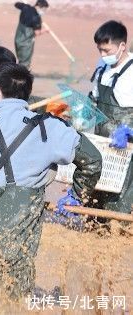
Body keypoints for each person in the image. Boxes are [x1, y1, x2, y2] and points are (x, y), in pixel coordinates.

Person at [0, 63, 101, 298]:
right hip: (18, 241)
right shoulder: (50, 127)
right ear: (26, 94)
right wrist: (77, 196)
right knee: (11, 301)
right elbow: (93, 161)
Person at [88, 20, 133, 215]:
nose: (102, 55)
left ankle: (120, 225)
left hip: (125, 145)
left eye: (106, 50)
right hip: (102, 139)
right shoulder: (102, 68)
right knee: (98, 184)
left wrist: (129, 132)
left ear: (122, 46)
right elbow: (94, 99)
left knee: (121, 190)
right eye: (100, 50)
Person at [13, 0, 49, 69]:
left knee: (20, 60)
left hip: (18, 40)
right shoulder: (36, 18)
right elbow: (37, 33)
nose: (43, 12)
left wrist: (25, 6)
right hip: (26, 43)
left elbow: (16, 4)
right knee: (25, 63)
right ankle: (21, 77)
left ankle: (18, 74)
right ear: (39, 7)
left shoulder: (26, 8)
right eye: (44, 9)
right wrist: (46, 31)